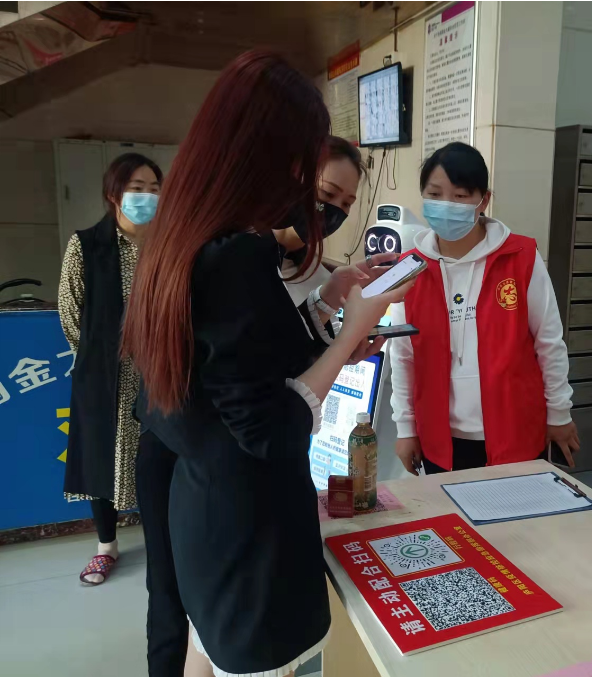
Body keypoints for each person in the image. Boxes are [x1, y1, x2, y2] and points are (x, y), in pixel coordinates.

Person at [122, 50, 411, 677]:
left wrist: (325, 306)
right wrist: (349, 336)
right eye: (306, 166)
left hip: (203, 513)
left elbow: (239, 367)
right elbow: (271, 429)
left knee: (203, 649)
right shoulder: (237, 256)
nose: (307, 191)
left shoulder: (181, 240)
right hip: (249, 536)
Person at [391, 142, 577, 475]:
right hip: (441, 440)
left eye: (460, 196)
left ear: (483, 200)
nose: (446, 204)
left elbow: (549, 342)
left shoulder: (520, 257)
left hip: (516, 433)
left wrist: (559, 413)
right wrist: (405, 429)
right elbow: (403, 355)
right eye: (435, 194)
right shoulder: (410, 268)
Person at [58, 152, 162, 585]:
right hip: (104, 373)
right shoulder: (86, 245)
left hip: (159, 374)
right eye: (137, 188)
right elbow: (70, 312)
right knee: (102, 457)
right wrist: (100, 357)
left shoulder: (167, 247)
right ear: (114, 193)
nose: (147, 197)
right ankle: (106, 546)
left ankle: (163, 545)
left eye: (154, 189)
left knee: (157, 458)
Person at [276, 135, 368, 306]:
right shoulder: (245, 256)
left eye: (347, 203)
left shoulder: (318, 275)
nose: (335, 210)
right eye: (327, 193)